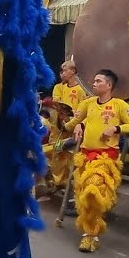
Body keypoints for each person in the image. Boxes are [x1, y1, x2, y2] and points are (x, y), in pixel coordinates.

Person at [67, 69, 129, 253]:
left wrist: (115, 128)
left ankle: (90, 234)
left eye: (98, 81)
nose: (94, 83)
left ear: (109, 85)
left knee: (95, 191)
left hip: (106, 157)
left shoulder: (120, 105)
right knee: (84, 195)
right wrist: (77, 125)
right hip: (85, 155)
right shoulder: (88, 103)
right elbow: (72, 122)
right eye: (94, 80)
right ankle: (90, 233)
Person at [48, 60, 88, 194]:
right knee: (57, 151)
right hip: (60, 127)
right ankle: (58, 181)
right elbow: (57, 103)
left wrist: (75, 120)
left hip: (75, 127)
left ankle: (73, 185)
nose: (62, 73)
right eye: (61, 71)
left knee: (73, 155)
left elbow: (84, 108)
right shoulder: (59, 87)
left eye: (65, 70)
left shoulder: (82, 89)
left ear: (73, 71)